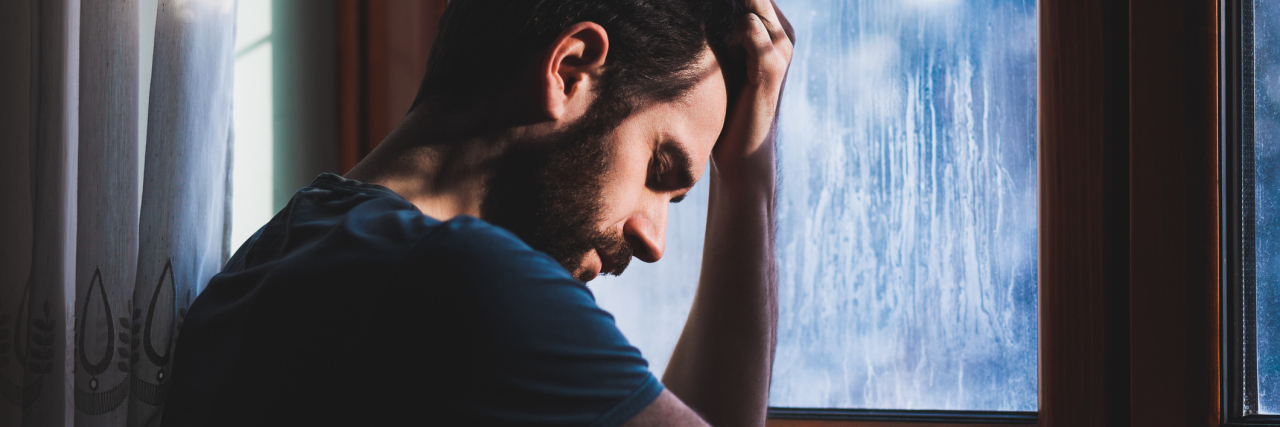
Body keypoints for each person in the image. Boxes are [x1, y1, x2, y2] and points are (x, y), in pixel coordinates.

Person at [163, 0, 793, 425]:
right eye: (659, 172)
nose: (654, 241)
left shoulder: (282, 253)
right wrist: (749, 176)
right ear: (572, 71)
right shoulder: (468, 280)